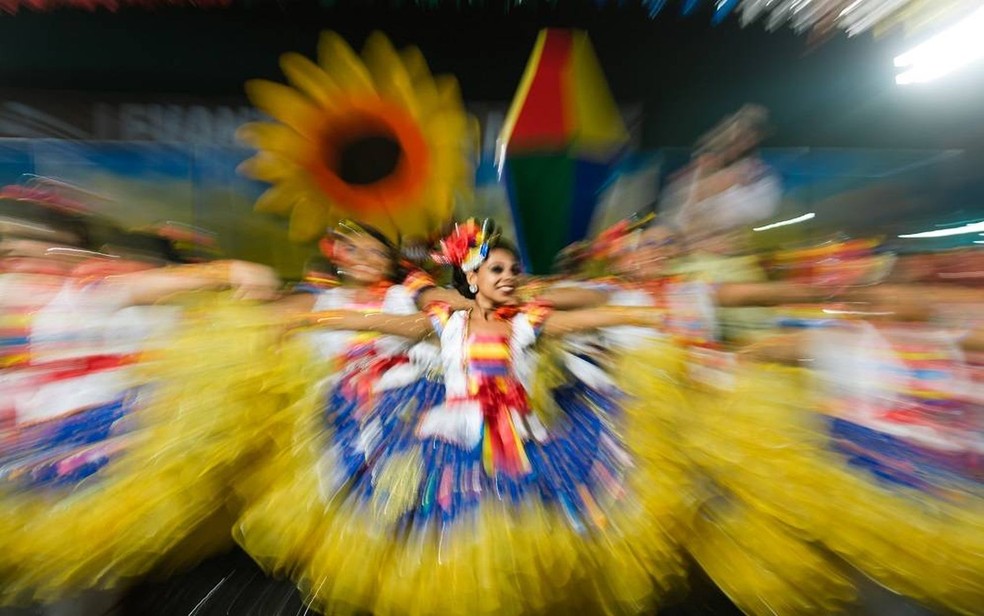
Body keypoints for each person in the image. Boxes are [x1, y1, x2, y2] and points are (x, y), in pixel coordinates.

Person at [234, 218, 688, 616]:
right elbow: (381, 324)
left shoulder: (528, 323)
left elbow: (589, 318)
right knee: (448, 529)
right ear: (473, 277)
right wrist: (309, 321)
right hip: (455, 436)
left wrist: (643, 314)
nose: (508, 278)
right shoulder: (446, 322)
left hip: (520, 440)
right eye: (497, 270)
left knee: (516, 532)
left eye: (513, 270)